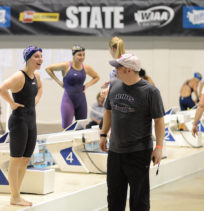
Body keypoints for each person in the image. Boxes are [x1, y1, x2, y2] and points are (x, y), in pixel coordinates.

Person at [99, 54, 165, 211]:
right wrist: (103, 134)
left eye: (117, 68)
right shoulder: (114, 86)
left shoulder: (150, 92)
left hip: (139, 152)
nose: (115, 71)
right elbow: (108, 110)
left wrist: (159, 147)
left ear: (128, 70)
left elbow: (159, 120)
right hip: (115, 152)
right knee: (114, 197)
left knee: (139, 200)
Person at [0, 46, 43, 206]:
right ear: (28, 58)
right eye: (37, 57)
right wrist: (11, 103)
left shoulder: (35, 75)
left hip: (31, 122)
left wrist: (36, 100)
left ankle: (17, 195)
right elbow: (1, 88)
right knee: (15, 160)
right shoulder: (19, 76)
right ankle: (14, 196)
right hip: (19, 122)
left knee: (25, 160)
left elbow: (40, 88)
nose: (40, 60)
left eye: (41, 56)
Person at [46, 44, 99, 128]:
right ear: (74, 55)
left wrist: (87, 85)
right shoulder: (66, 65)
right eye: (79, 55)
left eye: (83, 55)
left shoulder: (86, 67)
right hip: (68, 100)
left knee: (81, 127)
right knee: (67, 128)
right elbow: (48, 69)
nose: (82, 57)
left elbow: (96, 77)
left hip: (81, 100)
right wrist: (59, 82)